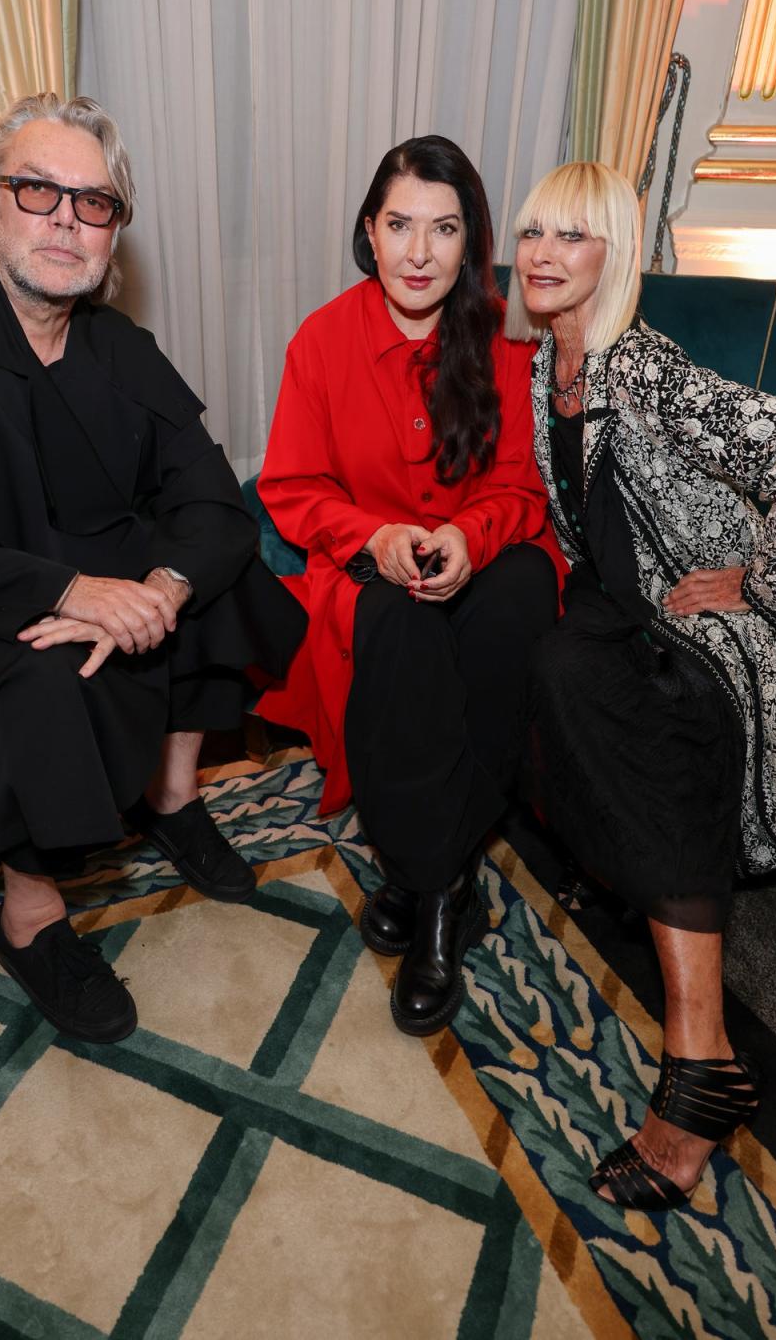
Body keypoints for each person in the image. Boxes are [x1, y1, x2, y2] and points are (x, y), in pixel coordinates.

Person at [0, 93, 304, 1044]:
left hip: (67, 562)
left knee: (214, 566)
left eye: (93, 204)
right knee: (50, 673)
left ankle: (173, 795)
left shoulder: (121, 346)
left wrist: (157, 590)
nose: (65, 222)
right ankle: (31, 917)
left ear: (113, 231)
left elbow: (210, 498)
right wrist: (73, 595)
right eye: (39, 191)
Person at [506, 160, 773, 1211]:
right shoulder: (547, 369)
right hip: (624, 617)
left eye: (570, 236)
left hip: (717, 633)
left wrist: (760, 578)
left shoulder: (645, 366)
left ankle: (698, 1059)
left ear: (614, 253)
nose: (540, 254)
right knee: (557, 665)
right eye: (532, 232)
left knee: (645, 713)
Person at [257, 135, 563, 1038]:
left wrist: (467, 536)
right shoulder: (320, 340)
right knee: (399, 629)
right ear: (369, 232)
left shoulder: (509, 336)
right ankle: (443, 890)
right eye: (400, 225)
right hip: (373, 559)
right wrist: (376, 535)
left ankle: (418, 878)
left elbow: (521, 481)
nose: (419, 252)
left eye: (444, 228)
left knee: (507, 616)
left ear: (471, 243)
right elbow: (291, 488)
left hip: (494, 546)